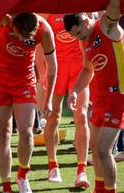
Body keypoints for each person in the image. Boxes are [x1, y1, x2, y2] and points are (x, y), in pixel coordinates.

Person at [65, 0, 122, 193]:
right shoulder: (84, 41)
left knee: (102, 149)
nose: (80, 37)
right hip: (100, 98)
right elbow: (87, 71)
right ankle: (100, 188)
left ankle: (110, 189)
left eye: (79, 32)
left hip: (118, 96)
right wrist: (75, 91)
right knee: (94, 148)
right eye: (76, 36)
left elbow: (115, 5)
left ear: (86, 20)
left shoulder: (106, 27)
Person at [0, 12, 57, 193]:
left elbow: (53, 66)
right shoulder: (3, 18)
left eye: (27, 39)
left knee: (26, 132)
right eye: (19, 34)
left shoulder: (44, 30)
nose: (21, 39)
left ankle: (22, 176)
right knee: (3, 133)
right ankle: (6, 184)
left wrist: (49, 99)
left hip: (25, 81)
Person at [41, 13, 90, 187]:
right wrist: (41, 71)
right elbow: (41, 39)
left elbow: (90, 28)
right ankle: (53, 165)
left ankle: (82, 171)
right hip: (56, 69)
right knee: (53, 117)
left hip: (79, 67)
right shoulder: (49, 8)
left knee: (81, 116)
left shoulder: (80, 8)